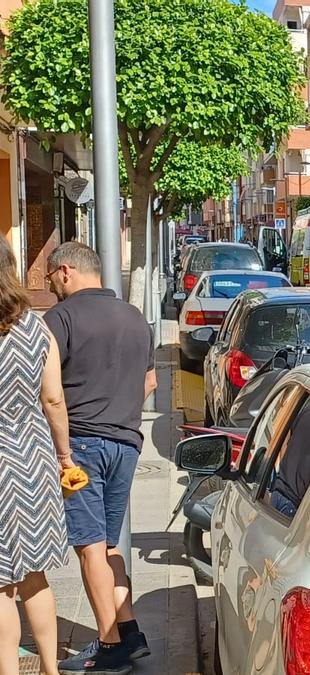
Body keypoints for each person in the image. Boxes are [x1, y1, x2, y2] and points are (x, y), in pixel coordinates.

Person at [44, 243, 155, 675]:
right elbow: (148, 383)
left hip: (82, 446)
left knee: (89, 547)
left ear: (66, 271)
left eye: (51, 277)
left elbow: (49, 389)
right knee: (109, 545)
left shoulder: (61, 318)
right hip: (126, 443)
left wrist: (63, 451)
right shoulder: (134, 318)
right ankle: (129, 632)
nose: (51, 285)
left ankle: (109, 646)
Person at [0, 238, 71, 675]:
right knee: (34, 576)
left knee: (1, 588)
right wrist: (64, 456)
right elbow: (54, 401)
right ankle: (50, 668)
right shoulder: (36, 329)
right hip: (32, 462)